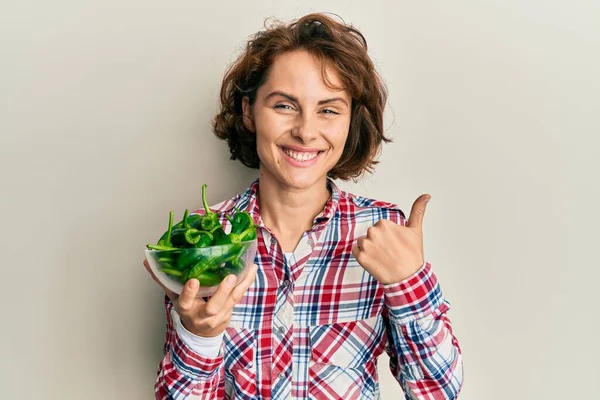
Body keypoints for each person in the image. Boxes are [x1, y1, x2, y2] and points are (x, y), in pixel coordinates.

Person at [143, 12, 464, 400]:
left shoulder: (383, 231)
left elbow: (438, 392)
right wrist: (199, 337)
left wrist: (409, 283)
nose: (306, 131)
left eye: (328, 110)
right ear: (249, 112)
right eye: (284, 106)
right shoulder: (204, 240)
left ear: (350, 122)